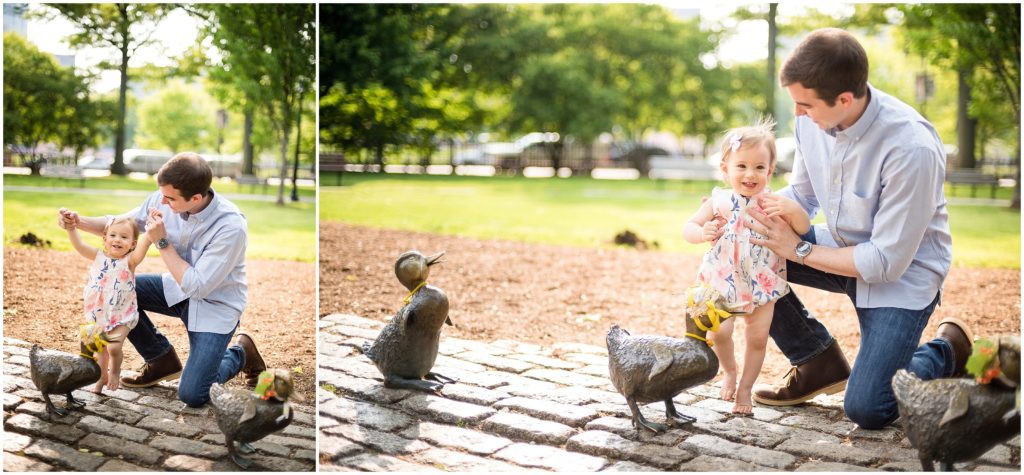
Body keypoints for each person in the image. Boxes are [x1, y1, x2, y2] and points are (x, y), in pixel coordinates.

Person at [746, 28, 972, 429]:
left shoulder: (911, 147)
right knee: (745, 247)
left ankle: (947, 350)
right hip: (841, 247)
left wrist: (796, 249)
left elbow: (886, 261)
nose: (797, 114)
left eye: (805, 105)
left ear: (845, 100)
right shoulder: (811, 121)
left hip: (902, 276)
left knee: (869, 408)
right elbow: (802, 193)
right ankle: (816, 361)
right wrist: (743, 212)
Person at [58, 152, 266, 407]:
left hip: (215, 305)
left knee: (194, 394)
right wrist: (79, 222)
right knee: (123, 288)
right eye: (162, 195)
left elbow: (198, 286)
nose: (163, 202)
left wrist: (162, 242)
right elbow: (126, 224)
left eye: (170, 198)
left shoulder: (230, 227)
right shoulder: (164, 197)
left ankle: (241, 352)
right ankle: (160, 360)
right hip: (175, 290)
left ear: (196, 198)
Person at [682, 118, 810, 414]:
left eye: (759, 167)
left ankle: (745, 388)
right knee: (720, 332)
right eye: (741, 166)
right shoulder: (719, 200)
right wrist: (702, 233)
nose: (750, 174)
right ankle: (729, 370)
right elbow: (688, 226)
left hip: (762, 283)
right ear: (725, 169)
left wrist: (795, 210)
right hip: (722, 281)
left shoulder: (774, 203)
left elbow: (802, 228)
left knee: (756, 338)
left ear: (770, 170)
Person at [65, 215, 152, 393]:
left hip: (122, 315)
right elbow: (79, 246)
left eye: (124, 237)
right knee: (98, 349)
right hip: (97, 313)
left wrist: (150, 234)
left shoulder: (130, 261)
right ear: (104, 239)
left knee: (113, 346)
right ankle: (102, 376)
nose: (117, 240)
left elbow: (144, 246)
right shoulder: (98, 257)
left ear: (133, 244)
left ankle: (115, 372)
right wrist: (71, 228)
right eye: (113, 235)